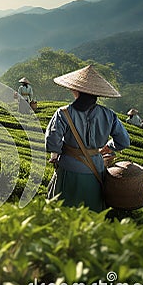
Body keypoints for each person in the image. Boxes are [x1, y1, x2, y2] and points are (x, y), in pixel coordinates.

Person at [45, 65, 130, 212]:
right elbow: (123, 141)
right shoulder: (109, 115)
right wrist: (109, 146)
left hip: (68, 168)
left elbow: (53, 140)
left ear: (76, 90)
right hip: (95, 168)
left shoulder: (63, 113)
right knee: (91, 212)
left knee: (62, 210)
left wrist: (55, 154)